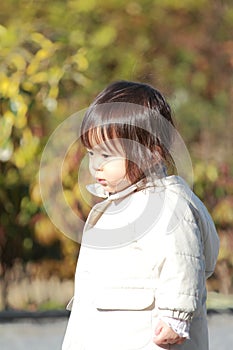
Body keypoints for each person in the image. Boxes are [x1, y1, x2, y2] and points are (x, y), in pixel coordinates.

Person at [62, 81, 219, 350]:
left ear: (152, 154)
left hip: (148, 340)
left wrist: (175, 316)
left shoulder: (166, 203)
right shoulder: (119, 203)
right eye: (91, 153)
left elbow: (183, 258)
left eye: (107, 155)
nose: (95, 165)